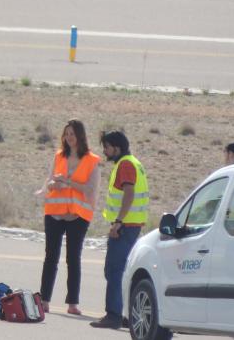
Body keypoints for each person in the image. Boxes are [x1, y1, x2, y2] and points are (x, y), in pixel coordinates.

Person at [38, 119, 100, 316]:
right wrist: (52, 185)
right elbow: (48, 182)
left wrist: (68, 182)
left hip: (77, 216)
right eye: (66, 134)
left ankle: (72, 303)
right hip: (55, 214)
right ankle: (44, 300)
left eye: (72, 134)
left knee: (73, 258)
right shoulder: (58, 156)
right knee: (51, 257)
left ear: (80, 136)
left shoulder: (92, 160)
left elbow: (90, 190)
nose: (69, 137)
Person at [90, 130, 149, 330]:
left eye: (107, 147)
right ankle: (124, 314)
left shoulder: (125, 164)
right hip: (131, 226)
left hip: (125, 227)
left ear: (117, 147)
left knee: (114, 270)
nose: (105, 151)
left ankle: (114, 315)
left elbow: (129, 194)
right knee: (121, 272)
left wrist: (118, 222)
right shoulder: (133, 162)